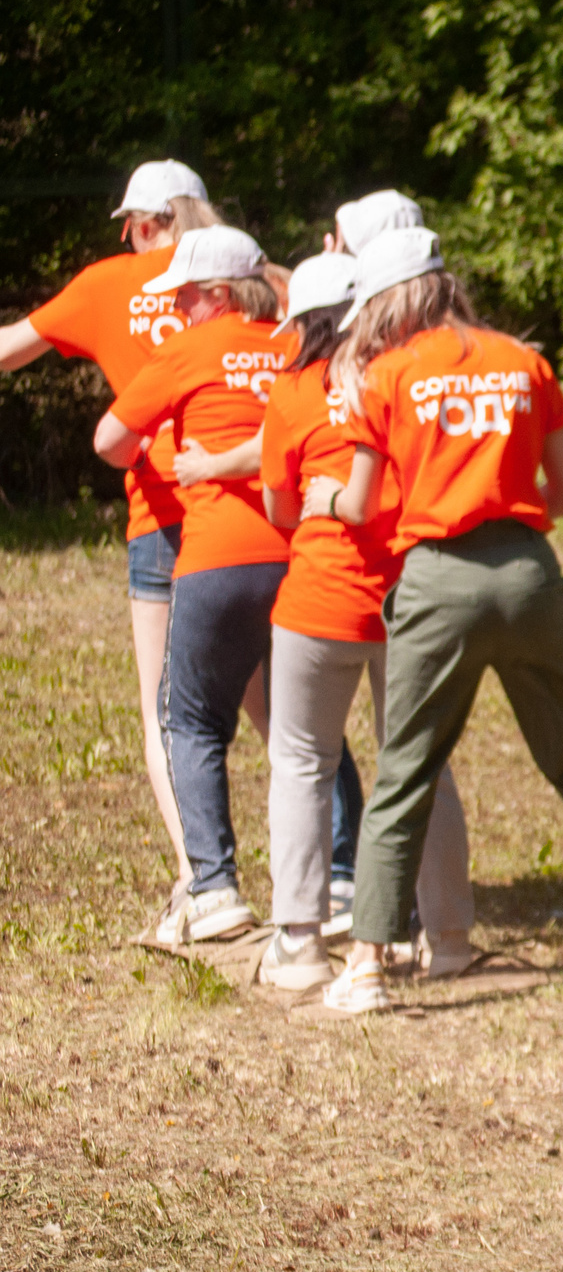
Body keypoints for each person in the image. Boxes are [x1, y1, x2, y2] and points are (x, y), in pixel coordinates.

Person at [312, 227, 563, 1016]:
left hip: (437, 581)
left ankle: (365, 965)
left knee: (404, 770)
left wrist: (319, 499)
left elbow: (358, 503)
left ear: (388, 303)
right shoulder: (526, 363)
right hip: (531, 577)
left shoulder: (388, 374)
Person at [91, 226, 360, 942]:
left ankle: (214, 888)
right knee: (308, 725)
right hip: (297, 553)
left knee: (190, 719)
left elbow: (108, 440)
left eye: (182, 296)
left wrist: (162, 447)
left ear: (215, 293)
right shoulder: (294, 346)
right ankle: (342, 876)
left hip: (215, 558)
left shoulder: (187, 349)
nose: (175, 310)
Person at [0, 160, 226, 915]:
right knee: (280, 711)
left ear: (143, 222)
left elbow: (9, 348)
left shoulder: (105, 285)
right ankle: (331, 874)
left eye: (130, 225)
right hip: (250, 511)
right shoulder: (242, 275)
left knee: (162, 706)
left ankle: (203, 881)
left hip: (161, 515)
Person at [256, 251, 478, 990]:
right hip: (409, 599)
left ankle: (299, 941)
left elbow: (281, 511)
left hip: (318, 600)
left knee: (300, 763)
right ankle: (445, 935)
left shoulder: (290, 393)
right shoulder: (407, 379)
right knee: (421, 765)